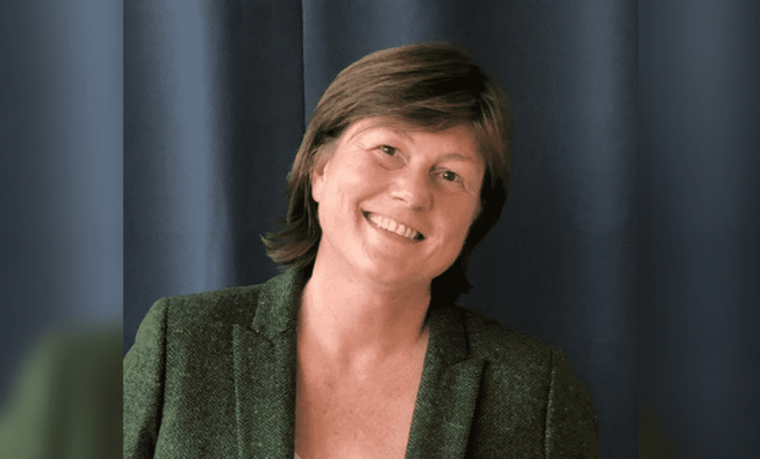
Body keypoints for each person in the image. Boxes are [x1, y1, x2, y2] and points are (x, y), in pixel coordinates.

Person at [123, 43, 600, 458]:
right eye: (388, 151)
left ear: (476, 217)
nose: (412, 194)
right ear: (319, 170)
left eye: (449, 175)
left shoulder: (535, 392)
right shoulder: (180, 344)